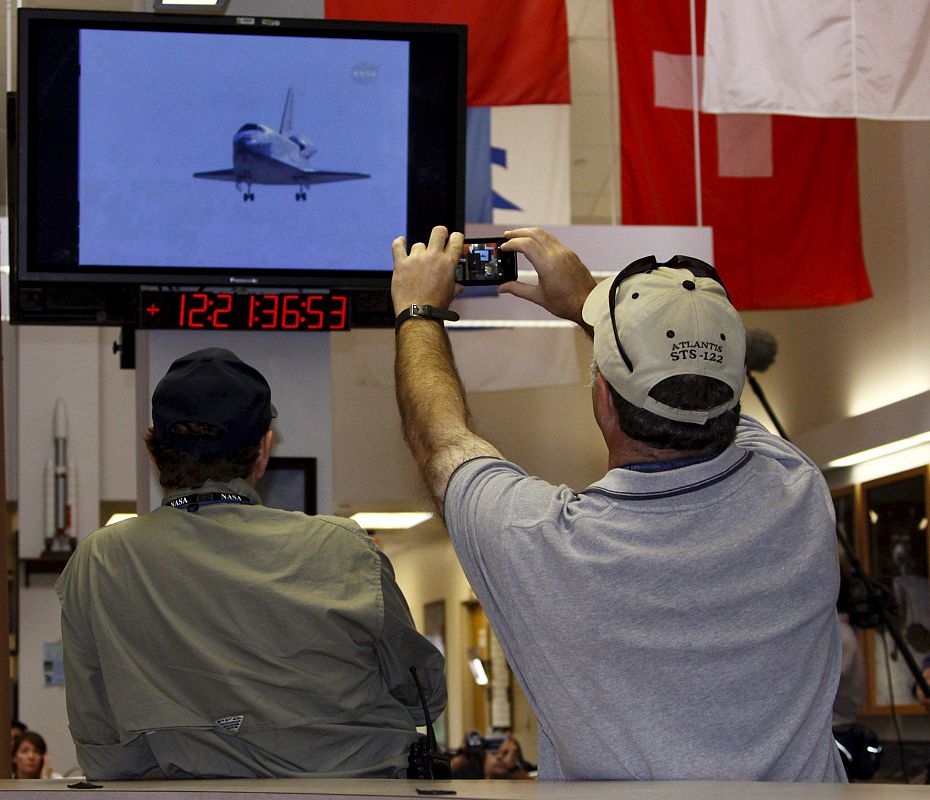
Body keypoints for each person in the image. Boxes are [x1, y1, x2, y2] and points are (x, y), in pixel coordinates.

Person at [391, 226, 845, 782]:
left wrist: (417, 310)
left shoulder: (543, 540)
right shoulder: (799, 493)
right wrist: (591, 308)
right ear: (733, 389)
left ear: (602, 399)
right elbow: (697, 406)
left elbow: (441, 442)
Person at [56, 347, 446, 781]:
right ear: (263, 449)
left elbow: (102, 749)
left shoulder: (100, 560)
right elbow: (422, 694)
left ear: (154, 450)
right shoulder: (344, 548)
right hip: (357, 789)